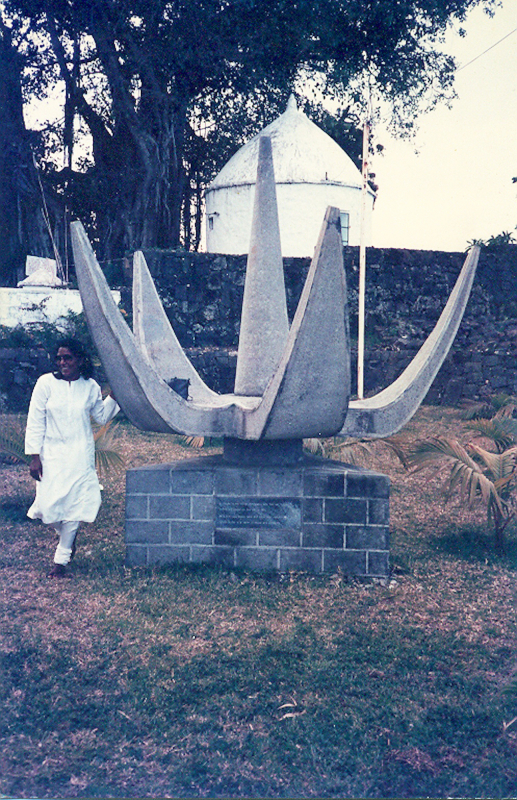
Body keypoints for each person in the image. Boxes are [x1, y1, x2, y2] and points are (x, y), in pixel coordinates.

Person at [25, 338, 119, 578]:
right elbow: (35, 420)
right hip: (52, 454)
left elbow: (100, 415)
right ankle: (65, 535)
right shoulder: (45, 383)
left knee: (75, 506)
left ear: (80, 360)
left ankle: (61, 559)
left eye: (68, 357)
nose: (63, 362)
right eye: (59, 358)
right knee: (48, 507)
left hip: (80, 453)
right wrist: (34, 456)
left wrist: (117, 396)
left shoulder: (90, 386)